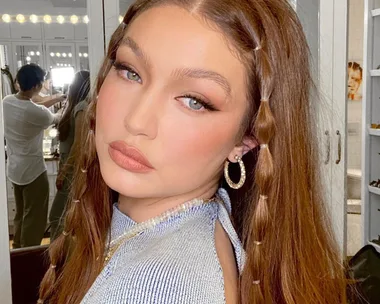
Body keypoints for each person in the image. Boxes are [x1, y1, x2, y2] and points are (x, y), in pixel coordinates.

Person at [39, 1, 347, 303]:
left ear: (246, 139)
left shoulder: (155, 286)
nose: (136, 121)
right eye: (130, 71)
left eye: (194, 101)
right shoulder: (205, 220)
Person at [3, 64, 61, 248]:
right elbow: (56, 118)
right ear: (37, 86)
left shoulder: (6, 102)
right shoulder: (38, 113)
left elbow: (34, 105)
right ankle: (29, 254)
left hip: (14, 170)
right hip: (33, 172)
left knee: (20, 214)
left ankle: (18, 250)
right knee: (34, 218)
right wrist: (65, 103)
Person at [49, 70, 91, 241]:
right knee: (60, 219)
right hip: (68, 168)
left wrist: (64, 171)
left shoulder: (81, 107)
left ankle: (58, 261)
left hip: (72, 171)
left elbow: (78, 145)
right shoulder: (74, 107)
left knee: (57, 217)